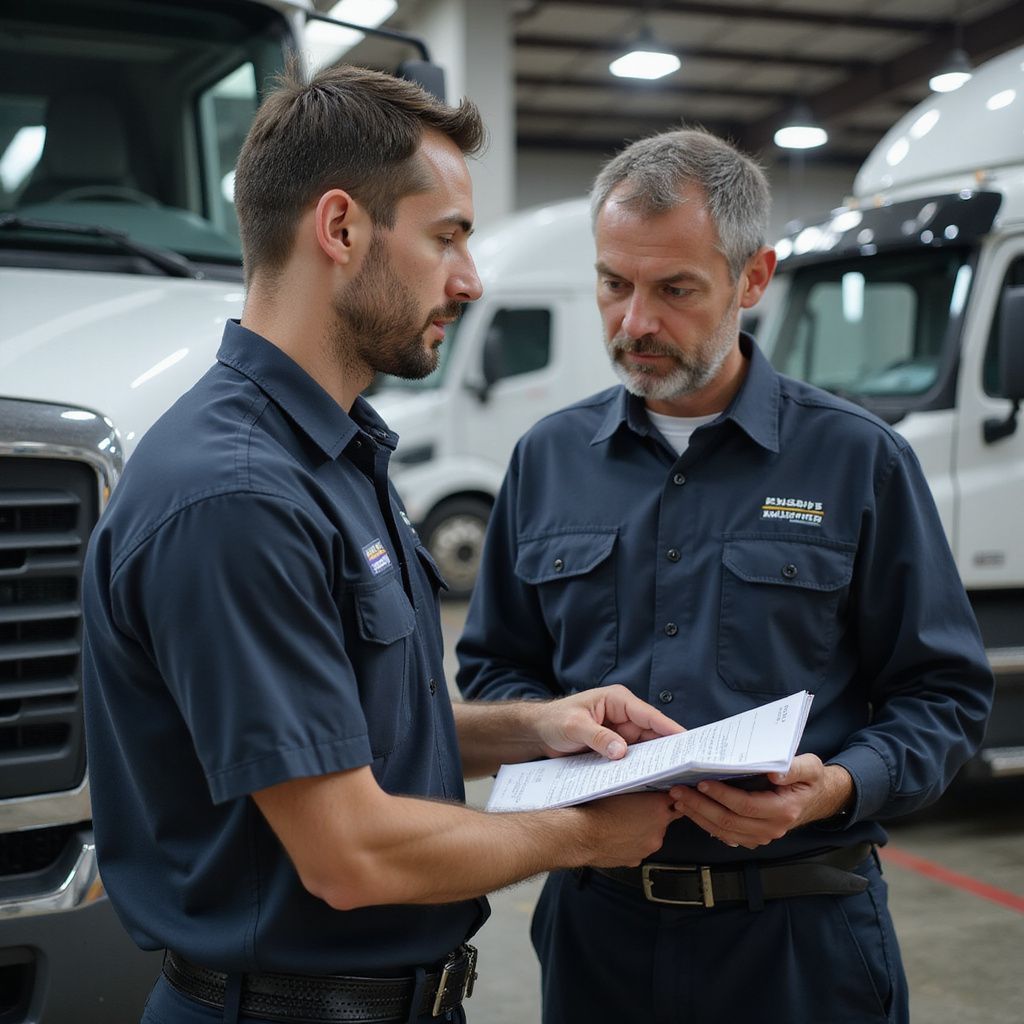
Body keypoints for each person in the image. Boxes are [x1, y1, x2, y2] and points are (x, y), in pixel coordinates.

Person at [81, 63, 686, 1024]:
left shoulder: (329, 454)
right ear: (340, 228)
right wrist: (580, 834)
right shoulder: (236, 495)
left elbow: (338, 736)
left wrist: (537, 726)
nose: (470, 279)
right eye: (447, 236)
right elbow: (349, 853)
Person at [456, 127, 994, 1024]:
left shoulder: (858, 462)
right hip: (601, 938)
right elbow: (495, 669)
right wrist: (556, 731)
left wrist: (838, 785)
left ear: (752, 279)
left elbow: (944, 694)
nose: (635, 324)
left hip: (800, 941)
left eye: (675, 290)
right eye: (612, 284)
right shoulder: (547, 461)